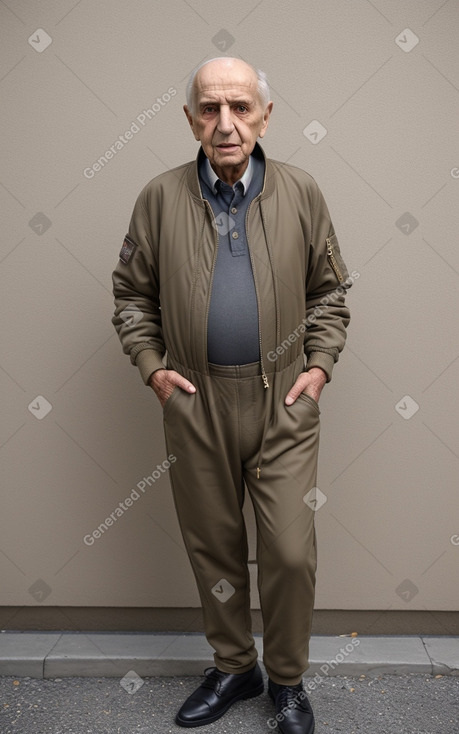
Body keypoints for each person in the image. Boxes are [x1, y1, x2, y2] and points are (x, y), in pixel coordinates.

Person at [112, 56, 352, 734]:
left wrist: (319, 365)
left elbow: (330, 291)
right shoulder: (158, 199)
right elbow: (129, 293)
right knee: (212, 545)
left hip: (282, 404)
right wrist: (154, 368)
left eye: (240, 107)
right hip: (195, 404)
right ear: (190, 119)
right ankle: (232, 666)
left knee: (286, 552)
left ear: (264, 116)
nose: (225, 124)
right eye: (210, 109)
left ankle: (285, 682)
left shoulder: (301, 192)